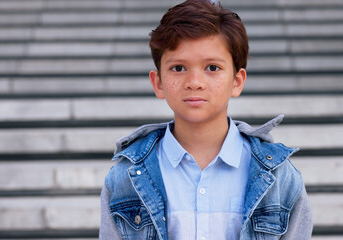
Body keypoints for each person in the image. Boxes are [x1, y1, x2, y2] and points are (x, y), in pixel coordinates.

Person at [99, 0, 313, 239]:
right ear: (158, 83)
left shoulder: (280, 177)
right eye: (178, 68)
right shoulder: (125, 178)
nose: (195, 82)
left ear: (237, 81)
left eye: (212, 67)